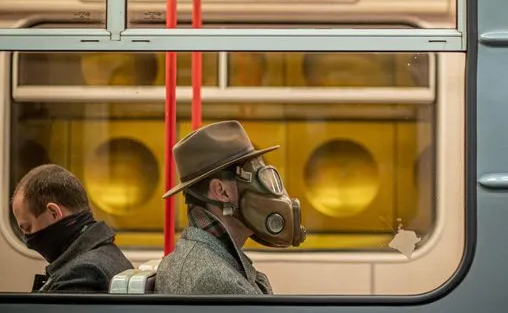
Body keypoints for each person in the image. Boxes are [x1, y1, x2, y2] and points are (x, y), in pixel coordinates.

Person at [156, 120, 307, 295]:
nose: (270, 192)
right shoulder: (214, 278)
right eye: (258, 180)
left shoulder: (206, 258)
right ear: (222, 191)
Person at [11, 164, 133, 293]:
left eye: (28, 228)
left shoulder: (81, 274)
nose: (28, 240)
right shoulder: (109, 253)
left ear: (53, 213)